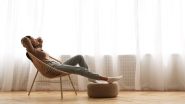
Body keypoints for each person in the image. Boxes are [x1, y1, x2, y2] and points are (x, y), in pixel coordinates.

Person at [21, 36, 122, 83]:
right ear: (29, 43)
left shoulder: (38, 49)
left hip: (55, 66)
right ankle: (106, 79)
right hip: (51, 69)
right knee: (79, 70)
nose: (34, 39)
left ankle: (90, 77)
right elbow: (25, 40)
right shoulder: (31, 52)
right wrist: (30, 39)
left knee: (79, 57)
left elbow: (40, 42)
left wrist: (38, 41)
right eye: (32, 39)